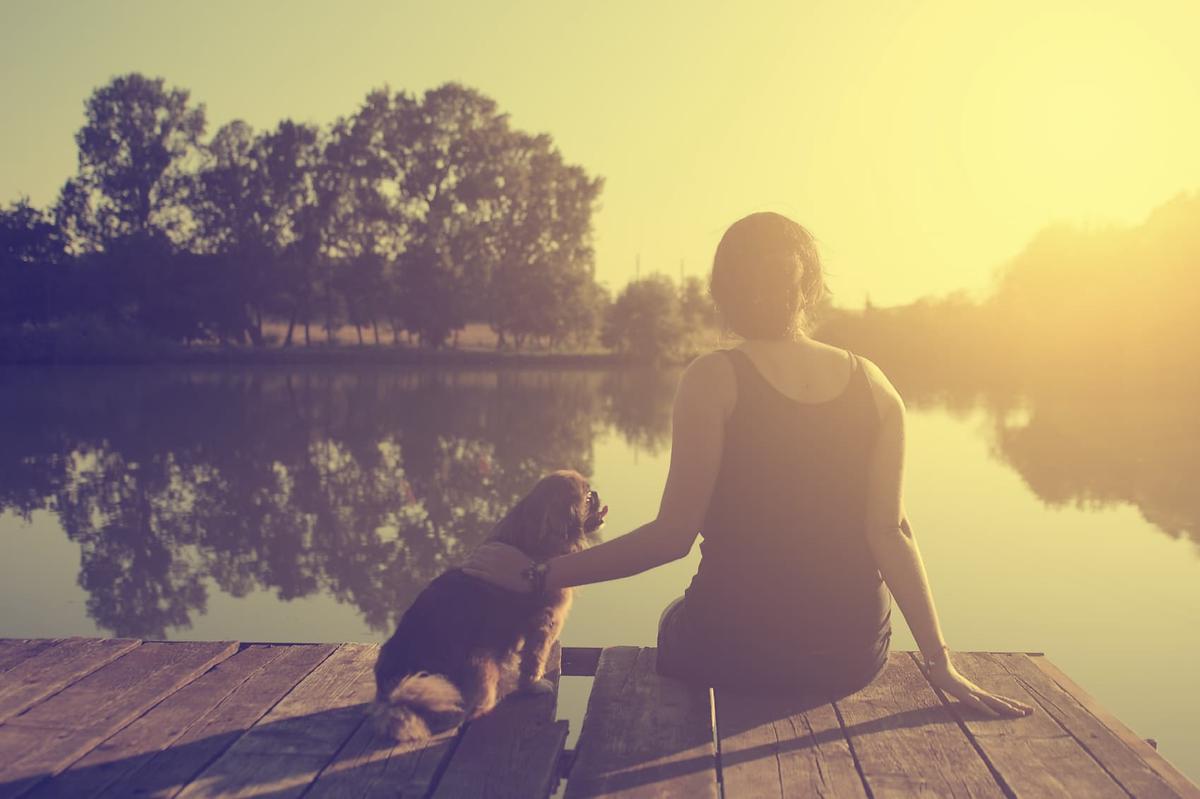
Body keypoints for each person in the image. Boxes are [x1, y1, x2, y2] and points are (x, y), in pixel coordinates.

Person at [463, 212, 1033, 717]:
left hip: (732, 650)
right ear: (810, 288)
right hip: (852, 658)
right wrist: (940, 663)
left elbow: (671, 537)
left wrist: (538, 576)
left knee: (671, 618)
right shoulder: (876, 386)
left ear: (721, 291)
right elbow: (891, 532)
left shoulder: (713, 379)